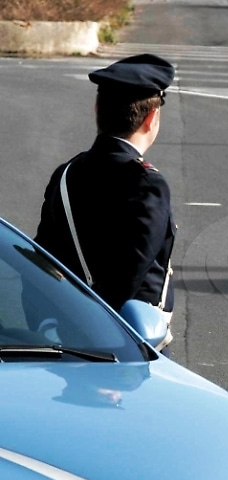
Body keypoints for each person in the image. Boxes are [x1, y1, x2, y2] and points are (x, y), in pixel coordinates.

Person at [33, 53, 176, 353]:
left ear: (97, 109)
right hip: (127, 343)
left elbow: (40, 258)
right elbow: (130, 272)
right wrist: (99, 335)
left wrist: (46, 324)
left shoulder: (67, 173)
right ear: (151, 119)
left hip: (66, 333)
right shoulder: (147, 182)